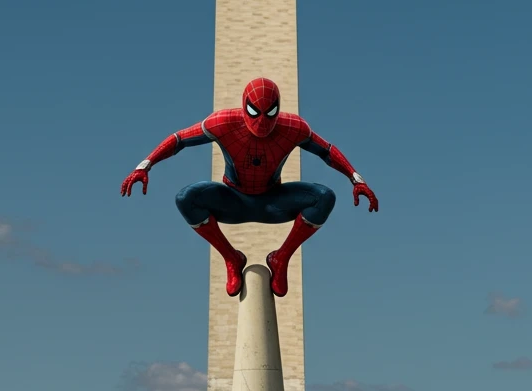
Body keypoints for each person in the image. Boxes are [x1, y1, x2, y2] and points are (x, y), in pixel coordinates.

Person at [121, 76, 378, 297]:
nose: (262, 122)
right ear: (245, 107)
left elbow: (327, 151)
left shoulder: (294, 127)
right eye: (255, 113)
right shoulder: (222, 122)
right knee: (186, 197)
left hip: (272, 200)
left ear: (279, 110)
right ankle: (231, 258)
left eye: (270, 113)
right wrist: (144, 165)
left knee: (324, 197)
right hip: (232, 198)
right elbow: (180, 139)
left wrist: (357, 179)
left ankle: (281, 257)